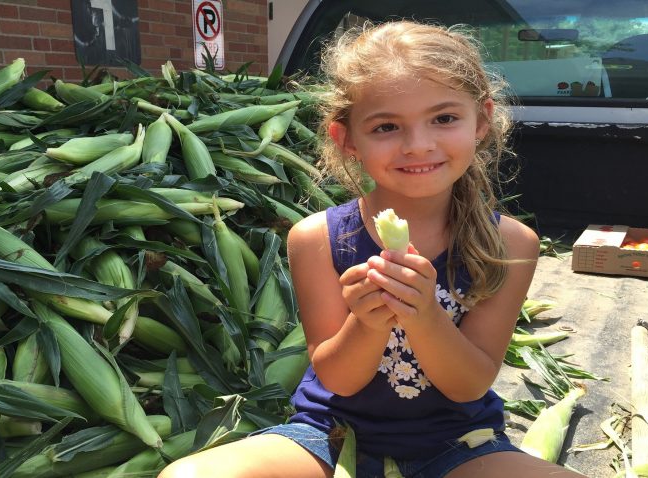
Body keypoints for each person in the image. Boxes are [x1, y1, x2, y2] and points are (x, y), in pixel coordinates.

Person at [159, 20, 585, 478]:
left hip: (459, 443)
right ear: (347, 140)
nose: (418, 146)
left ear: (481, 122)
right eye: (386, 126)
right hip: (329, 435)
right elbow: (338, 379)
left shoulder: (510, 244)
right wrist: (366, 322)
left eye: (444, 119)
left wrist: (425, 316)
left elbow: (469, 386)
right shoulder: (316, 238)